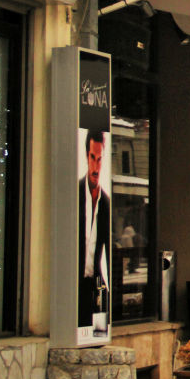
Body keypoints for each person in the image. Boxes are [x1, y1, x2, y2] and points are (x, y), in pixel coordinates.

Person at [79, 128, 111, 330]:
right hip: (73, 286)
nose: (96, 166)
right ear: (86, 156)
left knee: (97, 336)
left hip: (94, 285)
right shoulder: (75, 195)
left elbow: (107, 252)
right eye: (93, 157)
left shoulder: (105, 202)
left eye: (100, 159)